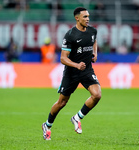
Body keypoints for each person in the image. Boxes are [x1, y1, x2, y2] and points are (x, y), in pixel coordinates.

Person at [42, 7, 101, 140]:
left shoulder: (92, 31)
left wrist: (94, 53)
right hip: (71, 72)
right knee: (62, 102)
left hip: (86, 70)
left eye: (88, 16)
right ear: (77, 18)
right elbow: (63, 58)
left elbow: (94, 41)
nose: (88, 19)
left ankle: (77, 118)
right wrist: (76, 65)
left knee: (97, 95)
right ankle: (47, 125)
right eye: (85, 17)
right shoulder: (70, 35)